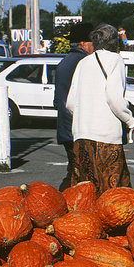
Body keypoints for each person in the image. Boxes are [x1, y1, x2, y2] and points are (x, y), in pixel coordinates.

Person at [66, 23, 134, 193]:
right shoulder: (115, 60)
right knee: (113, 195)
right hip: (106, 139)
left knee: (85, 193)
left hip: (81, 137)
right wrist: (132, 122)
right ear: (115, 42)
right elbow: (114, 98)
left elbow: (70, 102)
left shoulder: (83, 62)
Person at [54, 20, 95, 190]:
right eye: (93, 43)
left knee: (75, 170)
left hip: (65, 125)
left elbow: (57, 100)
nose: (95, 47)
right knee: (79, 174)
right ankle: (60, 205)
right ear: (83, 43)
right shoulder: (82, 63)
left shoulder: (66, 61)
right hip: (75, 128)